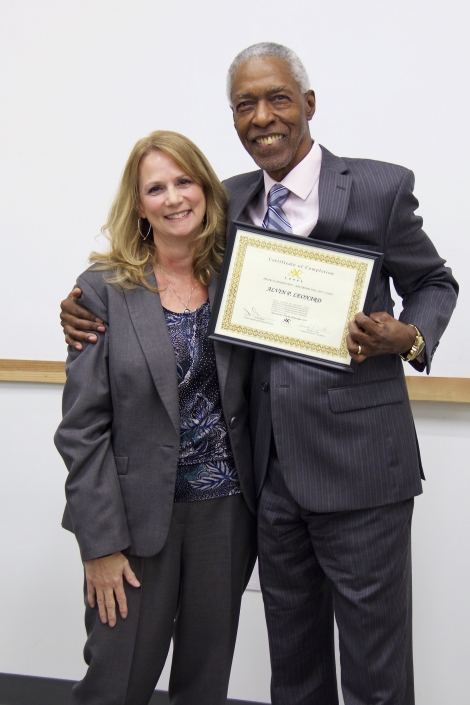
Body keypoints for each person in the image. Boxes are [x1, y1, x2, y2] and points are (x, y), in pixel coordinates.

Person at [60, 44, 458, 705]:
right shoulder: (228, 200)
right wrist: (79, 305)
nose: (263, 116)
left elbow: (434, 281)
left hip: (361, 470)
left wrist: (409, 336)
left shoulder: (380, 189)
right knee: (293, 671)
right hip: (269, 485)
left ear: (308, 103)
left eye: (277, 98)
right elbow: (147, 281)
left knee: (376, 674)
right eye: (245, 104)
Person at [54, 130, 257, 705]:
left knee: (205, 683)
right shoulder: (100, 291)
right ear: (138, 204)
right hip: (134, 525)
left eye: (184, 181)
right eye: (156, 188)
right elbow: (81, 431)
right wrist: (98, 545)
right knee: (115, 683)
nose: (173, 198)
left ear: (206, 189)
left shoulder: (238, 279)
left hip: (226, 517)